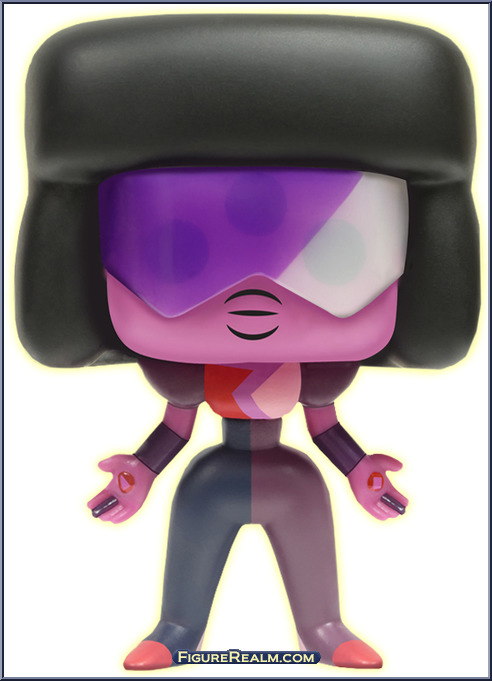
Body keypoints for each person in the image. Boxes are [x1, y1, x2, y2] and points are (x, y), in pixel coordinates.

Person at [16, 14, 479, 671]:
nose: (255, 296)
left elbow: (325, 428)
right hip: (211, 479)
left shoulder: (314, 379)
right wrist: (141, 471)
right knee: (193, 543)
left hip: (297, 480)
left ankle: (324, 627)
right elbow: (175, 429)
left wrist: (359, 470)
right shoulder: (191, 379)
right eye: (180, 258)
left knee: (311, 542)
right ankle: (176, 629)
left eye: (332, 256)